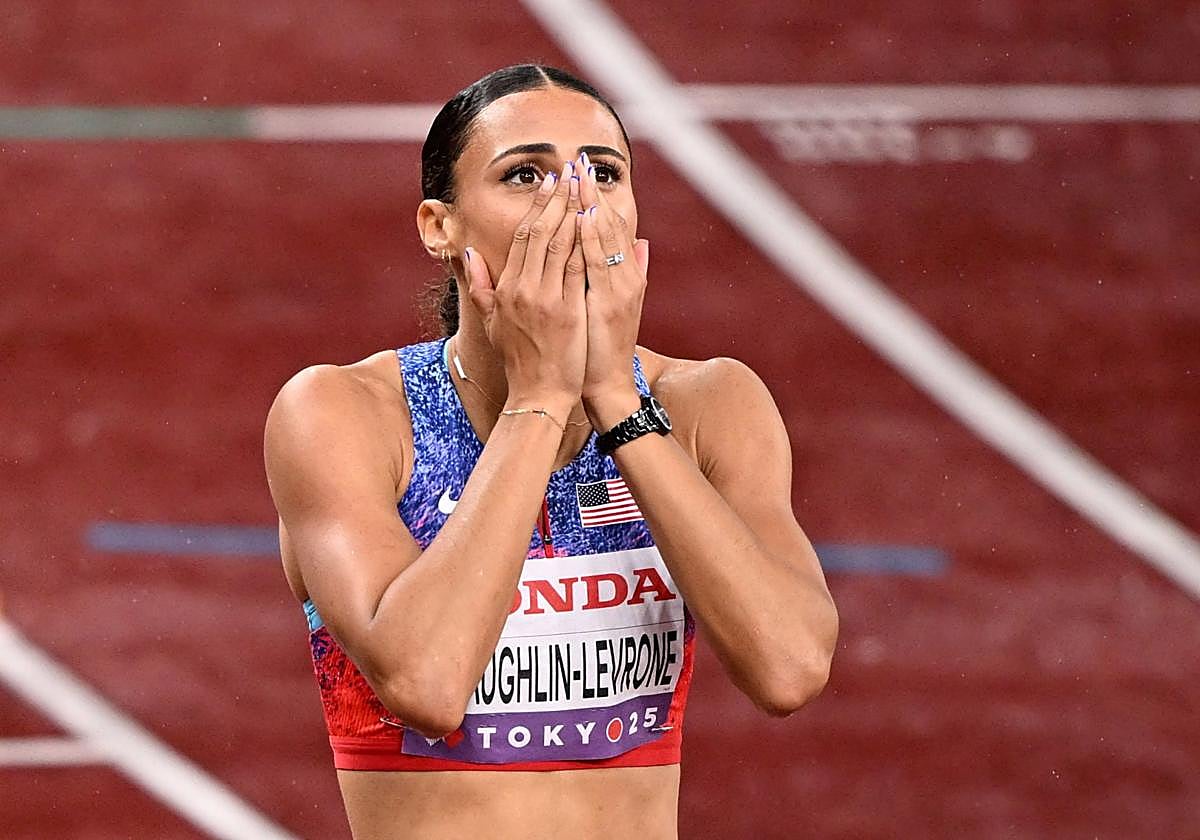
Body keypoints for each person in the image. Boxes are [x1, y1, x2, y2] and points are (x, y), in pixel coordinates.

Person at [264, 64, 838, 840]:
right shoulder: (346, 415)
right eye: (525, 173)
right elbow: (427, 682)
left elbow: (789, 669)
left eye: (603, 172)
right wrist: (542, 398)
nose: (573, 205)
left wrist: (618, 402)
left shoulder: (708, 405)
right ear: (441, 226)